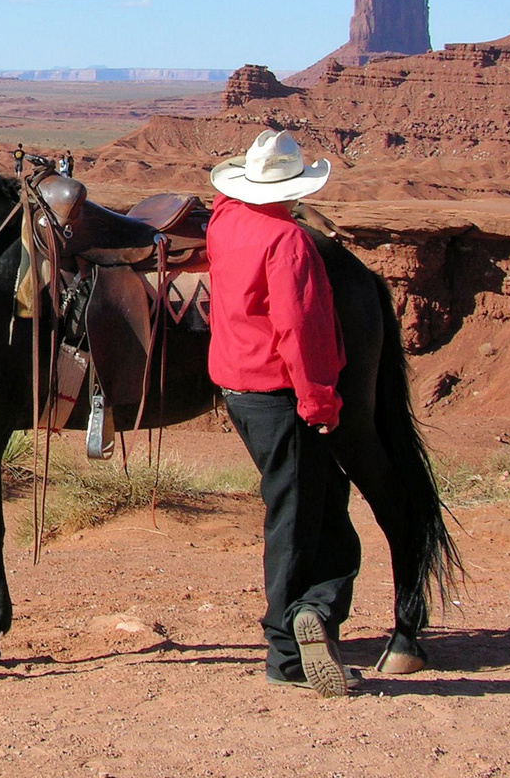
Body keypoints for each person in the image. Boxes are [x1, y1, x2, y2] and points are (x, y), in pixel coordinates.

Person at [206, 129, 361, 698]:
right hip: (280, 394)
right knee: (299, 515)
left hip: (237, 391)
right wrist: (320, 399)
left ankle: (309, 614)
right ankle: (291, 644)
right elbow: (302, 329)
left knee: (307, 503)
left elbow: (224, 203)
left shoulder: (225, 224)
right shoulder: (287, 241)